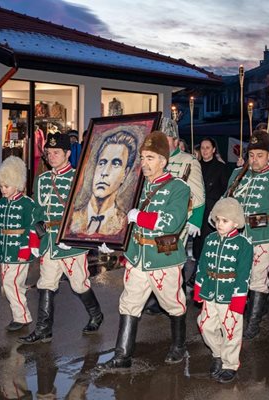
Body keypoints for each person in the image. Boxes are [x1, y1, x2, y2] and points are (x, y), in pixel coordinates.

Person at [97, 130, 191, 369]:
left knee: (173, 304)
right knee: (129, 303)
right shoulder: (136, 187)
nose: (144, 163)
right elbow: (121, 216)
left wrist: (141, 217)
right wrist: (114, 239)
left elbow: (172, 222)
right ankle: (122, 355)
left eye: (150, 157)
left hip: (163, 258)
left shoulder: (178, 188)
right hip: (136, 256)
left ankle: (179, 346)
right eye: (143, 157)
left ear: (163, 160)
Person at [19, 133, 103, 344]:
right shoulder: (43, 179)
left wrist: (73, 235)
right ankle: (43, 329)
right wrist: (35, 238)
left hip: (70, 243)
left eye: (56, 153)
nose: (52, 157)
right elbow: (37, 210)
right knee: (46, 283)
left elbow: (84, 211)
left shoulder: (78, 178)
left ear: (67, 153)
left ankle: (96, 314)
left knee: (78, 285)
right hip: (48, 241)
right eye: (48, 153)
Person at [225, 130, 269, 340]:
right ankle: (234, 315)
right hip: (236, 235)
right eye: (252, 155)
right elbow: (226, 200)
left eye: (259, 155)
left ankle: (253, 322)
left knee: (257, 279)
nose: (254, 160)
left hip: (263, 236)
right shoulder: (238, 174)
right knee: (235, 277)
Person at [143, 117, 204, 315]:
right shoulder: (151, 159)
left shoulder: (189, 161)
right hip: (150, 217)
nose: (163, 143)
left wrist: (195, 220)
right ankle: (156, 295)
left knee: (169, 256)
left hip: (177, 219)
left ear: (176, 141)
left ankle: (172, 297)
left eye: (167, 139)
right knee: (151, 253)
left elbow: (198, 193)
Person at [193, 198, 253, 383]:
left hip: (230, 295)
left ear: (236, 222)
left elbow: (244, 275)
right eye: (217, 219)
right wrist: (198, 289)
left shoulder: (244, 244)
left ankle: (229, 364)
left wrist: (238, 300)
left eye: (225, 221)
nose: (219, 224)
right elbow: (202, 265)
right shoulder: (210, 239)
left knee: (231, 330)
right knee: (205, 325)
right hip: (210, 292)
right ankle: (218, 353)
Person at [0, 156, 36, 332]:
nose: (2, 189)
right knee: (10, 285)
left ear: (17, 184)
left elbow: (31, 228)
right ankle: (19, 314)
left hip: (19, 250)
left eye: (6, 186)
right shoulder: (1, 204)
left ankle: (22, 316)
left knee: (11, 284)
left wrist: (26, 250)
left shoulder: (27, 204)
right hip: (5, 250)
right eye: (0, 186)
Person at [70, 130, 137, 236]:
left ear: (125, 173)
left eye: (116, 164)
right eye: (102, 163)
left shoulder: (123, 222)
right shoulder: (73, 217)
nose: (104, 172)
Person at [189, 137, 229, 288]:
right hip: (197, 208)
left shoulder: (221, 167)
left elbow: (226, 189)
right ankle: (199, 271)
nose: (204, 151)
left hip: (212, 210)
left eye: (208, 148)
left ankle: (198, 274)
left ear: (213, 150)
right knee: (197, 243)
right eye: (202, 148)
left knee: (207, 241)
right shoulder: (195, 166)